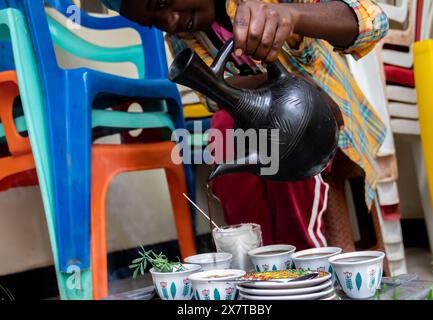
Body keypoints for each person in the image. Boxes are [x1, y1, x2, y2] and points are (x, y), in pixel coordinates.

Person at [101, 0, 388, 250]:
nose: (170, 21)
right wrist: (262, 84)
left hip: (331, 120)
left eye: (163, 2)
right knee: (227, 127)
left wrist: (291, 15)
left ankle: (304, 260)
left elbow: (374, 19)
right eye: (155, 22)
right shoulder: (182, 31)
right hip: (271, 126)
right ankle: (261, 266)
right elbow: (213, 96)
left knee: (278, 130)